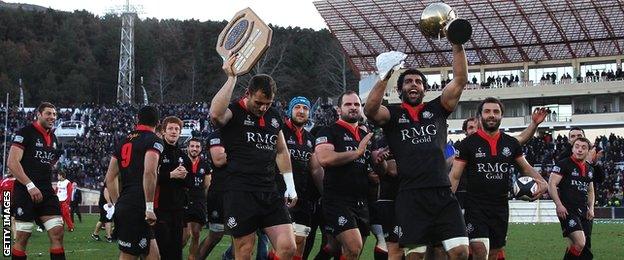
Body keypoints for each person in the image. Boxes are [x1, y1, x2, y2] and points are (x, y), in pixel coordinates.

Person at [364, 45, 469, 260]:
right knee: (415, 256)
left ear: (424, 89)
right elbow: (370, 110)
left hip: (442, 192)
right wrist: (385, 76)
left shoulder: (437, 109)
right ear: (400, 89)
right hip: (410, 194)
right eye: (409, 82)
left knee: (460, 252)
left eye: (418, 82)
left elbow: (459, 80)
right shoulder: (392, 115)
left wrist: (457, 44)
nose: (414, 85)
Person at [209, 54, 297, 260]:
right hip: (240, 192)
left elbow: (282, 151)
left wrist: (290, 185)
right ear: (247, 94)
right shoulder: (234, 111)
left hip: (269, 191)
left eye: (268, 103)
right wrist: (231, 78)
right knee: (244, 250)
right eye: (258, 102)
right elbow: (215, 114)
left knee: (288, 247)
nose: (263, 108)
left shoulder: (273, 116)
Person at [449, 97, 548, 260]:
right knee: (480, 250)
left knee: (494, 253)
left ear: (501, 115)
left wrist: (543, 182)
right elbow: (454, 175)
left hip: (500, 207)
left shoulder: (510, 143)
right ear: (480, 115)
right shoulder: (467, 144)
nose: (491, 115)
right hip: (475, 206)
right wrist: (445, 201)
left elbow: (526, 168)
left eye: (496, 111)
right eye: (487, 111)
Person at [315, 91, 374, 260]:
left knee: (343, 251)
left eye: (357, 104)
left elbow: (373, 167)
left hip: (361, 201)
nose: (353, 108)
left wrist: (379, 160)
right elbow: (325, 159)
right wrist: (357, 153)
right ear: (338, 109)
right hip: (337, 200)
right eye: (348, 104)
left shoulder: (365, 135)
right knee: (354, 247)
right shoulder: (329, 131)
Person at [7, 102, 66, 260]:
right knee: (22, 238)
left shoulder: (53, 137)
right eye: (48, 113)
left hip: (46, 190)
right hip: (26, 190)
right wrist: (30, 185)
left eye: (54, 114)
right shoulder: (25, 132)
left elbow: (46, 161)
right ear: (39, 114)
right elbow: (12, 162)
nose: (52, 117)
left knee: (57, 233)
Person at [105, 105, 163, 260]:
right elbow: (149, 172)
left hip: (127, 203)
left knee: (153, 256)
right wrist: (149, 206)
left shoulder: (124, 141)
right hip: (139, 205)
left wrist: (118, 203)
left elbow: (110, 178)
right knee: (129, 255)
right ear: (158, 123)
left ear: (137, 119)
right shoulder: (154, 140)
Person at [274, 96, 324, 259]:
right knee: (285, 245)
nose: (301, 111)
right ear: (290, 110)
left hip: (303, 198)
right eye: (297, 107)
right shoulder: (279, 131)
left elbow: (315, 169)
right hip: (281, 195)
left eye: (305, 108)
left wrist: (326, 193)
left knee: (300, 243)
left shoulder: (310, 139)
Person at [548, 137, 595, 259]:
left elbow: (590, 190)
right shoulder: (564, 164)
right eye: (577, 146)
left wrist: (591, 208)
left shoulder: (590, 169)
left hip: (583, 211)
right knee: (580, 243)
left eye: (583, 147)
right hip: (568, 211)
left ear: (588, 151)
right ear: (572, 148)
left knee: (576, 245)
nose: (579, 150)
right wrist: (559, 205)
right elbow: (552, 184)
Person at [154, 116, 192, 260]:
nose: (174, 131)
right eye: (170, 128)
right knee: (160, 249)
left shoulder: (183, 156)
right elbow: (149, 178)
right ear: (163, 131)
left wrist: (185, 177)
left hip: (178, 209)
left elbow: (190, 183)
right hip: (160, 208)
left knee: (176, 250)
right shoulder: (157, 152)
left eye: (177, 129)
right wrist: (170, 175)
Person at [182, 138, 211, 260]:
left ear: (201, 148)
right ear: (188, 147)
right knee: (185, 235)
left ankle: (192, 257)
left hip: (199, 202)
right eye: (192, 146)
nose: (194, 149)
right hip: (184, 201)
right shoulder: (181, 162)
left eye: (197, 146)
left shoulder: (205, 165)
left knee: (196, 234)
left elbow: (206, 186)